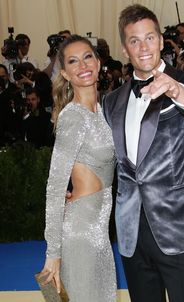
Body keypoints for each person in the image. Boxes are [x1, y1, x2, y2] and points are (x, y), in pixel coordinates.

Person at [102, 4, 184, 302]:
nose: (143, 47)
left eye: (150, 38)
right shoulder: (112, 101)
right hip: (132, 234)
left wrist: (177, 91)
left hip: (180, 228)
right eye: (134, 40)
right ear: (125, 48)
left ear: (160, 41)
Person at [39, 35, 117, 302]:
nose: (82, 65)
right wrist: (53, 252)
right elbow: (55, 186)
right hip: (81, 233)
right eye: (73, 61)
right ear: (65, 73)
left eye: (87, 57)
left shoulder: (104, 109)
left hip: (100, 231)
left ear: (98, 61)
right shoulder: (73, 117)